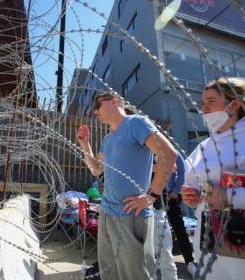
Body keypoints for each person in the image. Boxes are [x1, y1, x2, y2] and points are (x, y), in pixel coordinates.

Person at [182, 77, 245, 279]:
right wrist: (193, 197)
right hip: (208, 244)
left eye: (211, 101)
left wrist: (229, 197)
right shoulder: (204, 146)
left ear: (234, 104)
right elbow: (192, 183)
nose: (204, 108)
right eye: (202, 103)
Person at [76, 92, 177, 280]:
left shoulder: (136, 123)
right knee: (109, 273)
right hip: (107, 213)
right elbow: (97, 170)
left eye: (98, 104)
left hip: (131, 215)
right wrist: (85, 145)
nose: (95, 110)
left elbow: (169, 156)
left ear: (115, 102)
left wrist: (150, 197)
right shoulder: (107, 139)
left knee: (135, 275)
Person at [165, 154, 197, 276]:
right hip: (155, 197)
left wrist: (174, 192)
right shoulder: (149, 150)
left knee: (179, 229)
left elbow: (182, 172)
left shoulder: (172, 151)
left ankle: (189, 261)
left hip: (170, 197)